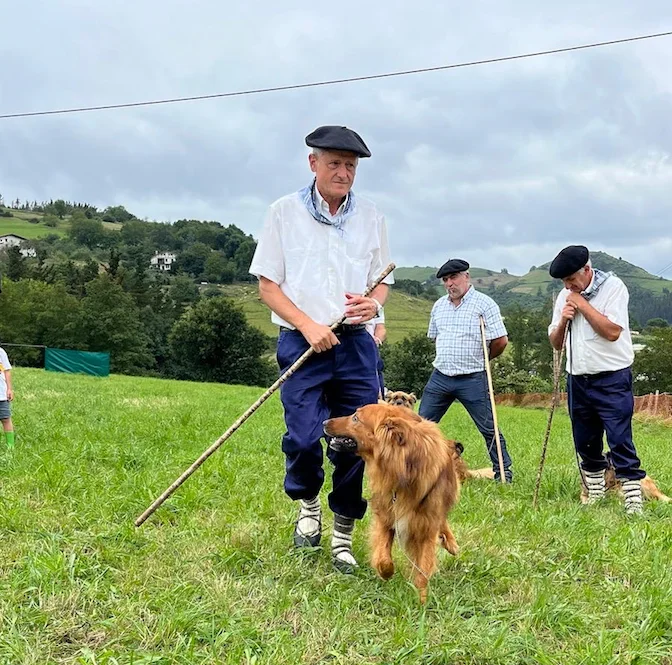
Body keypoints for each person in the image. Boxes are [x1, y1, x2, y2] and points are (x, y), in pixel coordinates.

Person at [249, 125, 394, 572]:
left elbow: (382, 281)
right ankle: (308, 506)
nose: (343, 173)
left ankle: (342, 535)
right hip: (302, 343)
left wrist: (374, 305)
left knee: (357, 441)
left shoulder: (371, 217)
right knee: (302, 437)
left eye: (350, 166)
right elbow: (267, 287)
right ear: (313, 163)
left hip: (356, 346)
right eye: (334, 163)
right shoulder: (283, 213)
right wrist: (308, 325)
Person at [547, 245, 645, 514]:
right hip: (578, 378)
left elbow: (612, 332)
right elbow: (556, 344)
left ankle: (633, 500)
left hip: (612, 377)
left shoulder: (613, 288)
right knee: (585, 440)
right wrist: (563, 321)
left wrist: (582, 305)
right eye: (564, 282)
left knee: (619, 438)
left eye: (571, 279)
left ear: (587, 270)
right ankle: (595, 493)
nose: (568, 286)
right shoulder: (565, 296)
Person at [418, 259, 513, 482]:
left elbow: (501, 341)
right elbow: (435, 337)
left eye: (454, 277)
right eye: (445, 280)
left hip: (472, 378)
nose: (450, 283)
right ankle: (416, 471)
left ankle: (503, 473)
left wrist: (484, 359)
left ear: (466, 276)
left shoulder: (484, 304)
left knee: (489, 428)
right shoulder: (439, 306)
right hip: (441, 376)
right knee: (419, 427)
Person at [366, 312, 386, 398]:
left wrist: (377, 339)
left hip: (371, 352)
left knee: (377, 395)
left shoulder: (376, 306)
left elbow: (381, 328)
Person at [0, 346, 15, 449]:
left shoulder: (1, 352)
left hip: (1, 393)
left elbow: (7, 370)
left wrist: (9, 389)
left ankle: (10, 446)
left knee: (6, 418)